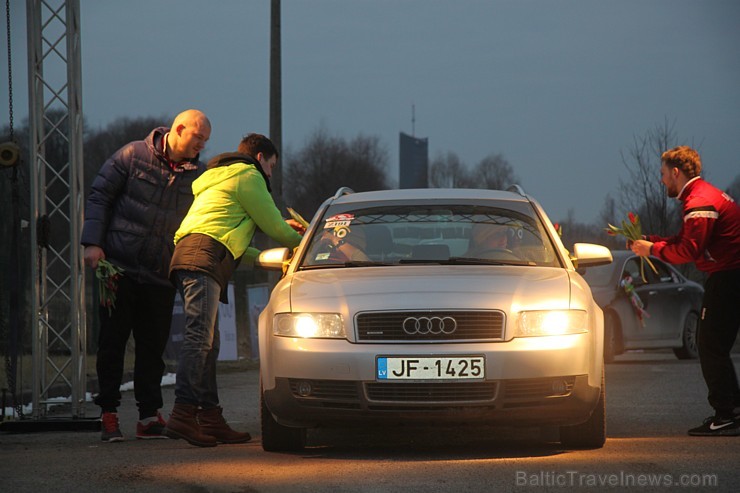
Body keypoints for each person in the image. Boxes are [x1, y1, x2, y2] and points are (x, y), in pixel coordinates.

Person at [164, 133, 305, 447]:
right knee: (200, 339)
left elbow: (229, 239)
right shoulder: (247, 176)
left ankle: (210, 418)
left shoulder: (217, 179)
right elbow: (274, 227)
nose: (271, 173)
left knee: (208, 344)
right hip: (204, 258)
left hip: (193, 254)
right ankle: (183, 415)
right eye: (271, 166)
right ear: (260, 159)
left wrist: (262, 260)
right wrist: (308, 244)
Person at [81, 109, 211, 442]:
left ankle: (149, 415)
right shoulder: (132, 154)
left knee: (153, 348)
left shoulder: (200, 174)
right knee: (112, 343)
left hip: (160, 273)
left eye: (205, 142)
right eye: (198, 138)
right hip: (119, 268)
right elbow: (100, 196)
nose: (201, 146)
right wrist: (93, 243)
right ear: (179, 129)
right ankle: (108, 414)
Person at [629, 145, 740, 436]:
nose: (661, 180)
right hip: (729, 274)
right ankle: (732, 411)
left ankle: (726, 414)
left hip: (728, 277)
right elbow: (683, 238)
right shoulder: (700, 196)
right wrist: (650, 241)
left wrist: (652, 249)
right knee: (716, 345)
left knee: (710, 345)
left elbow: (689, 249)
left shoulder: (699, 202)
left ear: (676, 172)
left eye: (663, 174)